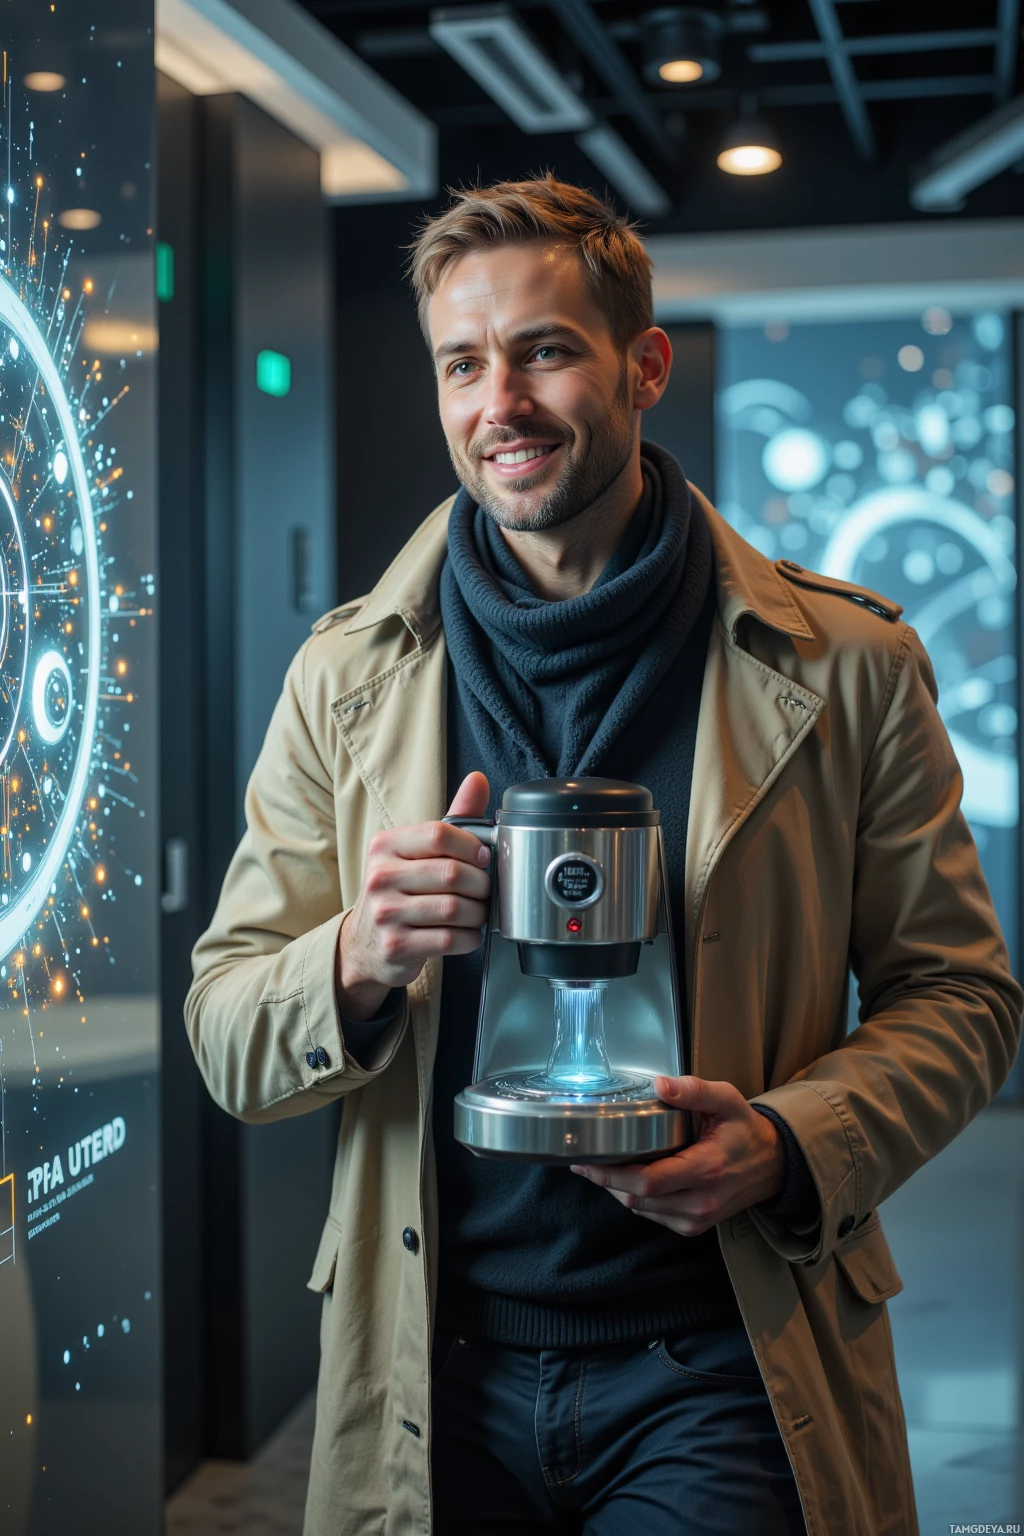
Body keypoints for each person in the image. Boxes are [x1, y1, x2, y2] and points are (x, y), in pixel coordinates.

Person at [186, 175, 1022, 1536]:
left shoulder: (850, 665)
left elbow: (964, 997)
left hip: (724, 1366)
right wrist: (353, 958)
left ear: (645, 368)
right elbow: (226, 1030)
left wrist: (787, 1143)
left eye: (545, 352)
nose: (499, 404)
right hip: (431, 1366)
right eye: (462, 364)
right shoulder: (345, 678)